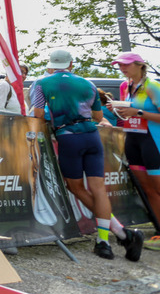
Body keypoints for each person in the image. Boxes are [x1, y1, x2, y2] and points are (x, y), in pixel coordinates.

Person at [32, 49, 142, 260]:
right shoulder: (88, 84)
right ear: (70, 65)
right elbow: (98, 115)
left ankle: (119, 234)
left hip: (68, 137)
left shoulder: (41, 83)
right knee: (99, 190)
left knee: (75, 187)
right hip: (92, 136)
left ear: (51, 66)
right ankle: (108, 240)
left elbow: (37, 114)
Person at [107, 50, 160, 251]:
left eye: (126, 64)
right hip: (133, 140)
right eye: (119, 65)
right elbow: (127, 113)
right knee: (148, 190)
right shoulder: (125, 86)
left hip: (153, 141)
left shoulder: (152, 86)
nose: (122, 68)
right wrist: (118, 110)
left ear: (140, 65)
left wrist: (137, 112)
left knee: (158, 189)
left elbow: (139, 112)